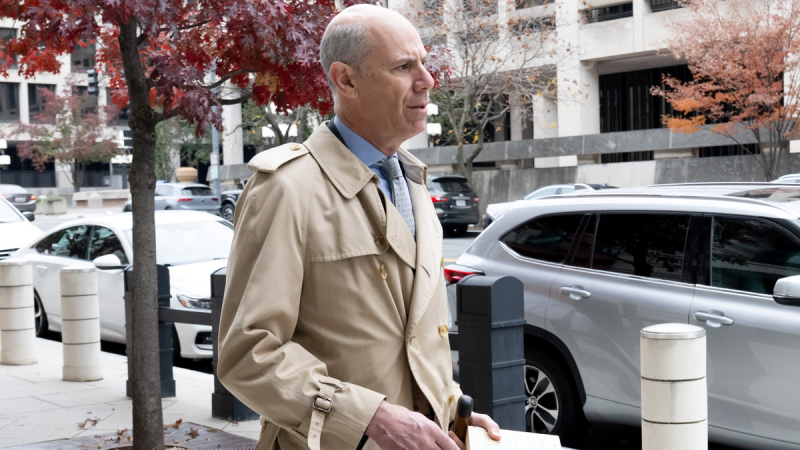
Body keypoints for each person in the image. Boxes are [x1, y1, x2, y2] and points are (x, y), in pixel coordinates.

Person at [217, 4, 501, 450]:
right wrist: (371, 417)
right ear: (346, 80)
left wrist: (448, 410)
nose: (427, 80)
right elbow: (248, 355)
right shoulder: (286, 189)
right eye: (403, 67)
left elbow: (410, 340)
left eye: (423, 63)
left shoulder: (413, 181)